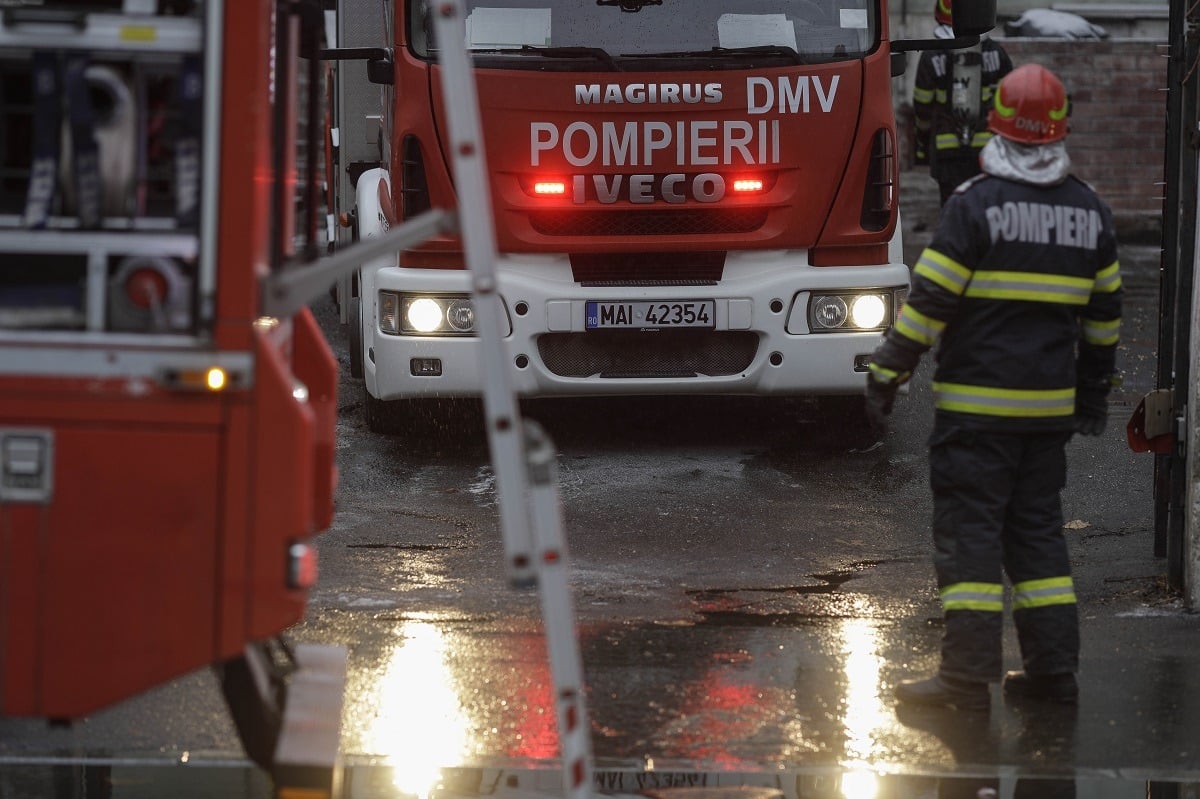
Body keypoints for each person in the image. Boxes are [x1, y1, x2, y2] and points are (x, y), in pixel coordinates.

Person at [865, 63, 1122, 711]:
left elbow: (929, 304)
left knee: (971, 539)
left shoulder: (974, 205)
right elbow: (1104, 321)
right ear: (1059, 130)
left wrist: (888, 371)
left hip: (975, 417)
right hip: (1046, 419)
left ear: (995, 124)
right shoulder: (1090, 213)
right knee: (1037, 537)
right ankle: (1052, 674)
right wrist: (1092, 396)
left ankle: (964, 680)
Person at [912, 0, 1013, 206]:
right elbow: (1008, 101)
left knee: (953, 208)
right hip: (986, 150)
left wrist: (922, 143)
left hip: (946, 150)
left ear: (940, 13)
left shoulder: (931, 55)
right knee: (986, 207)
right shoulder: (996, 53)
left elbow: (922, 107)